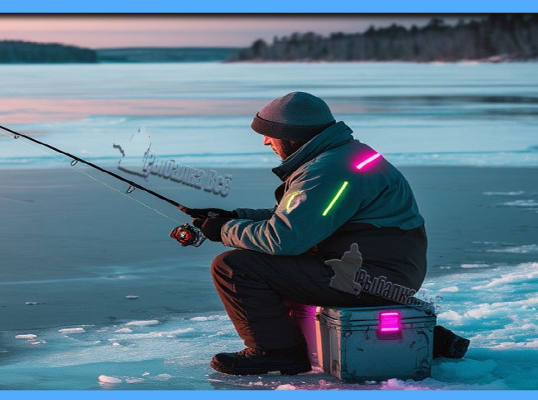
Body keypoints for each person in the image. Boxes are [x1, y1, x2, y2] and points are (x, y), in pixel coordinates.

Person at [179, 92, 467, 376]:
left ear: (291, 134)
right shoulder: (341, 156)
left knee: (234, 267)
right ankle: (427, 338)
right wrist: (237, 217)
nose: (266, 141)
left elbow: (286, 239)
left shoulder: (330, 170)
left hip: (371, 276)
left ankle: (277, 352)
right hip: (382, 272)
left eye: (269, 134)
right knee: (268, 257)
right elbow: (307, 219)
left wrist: (224, 230)